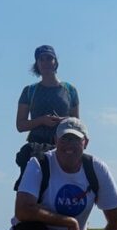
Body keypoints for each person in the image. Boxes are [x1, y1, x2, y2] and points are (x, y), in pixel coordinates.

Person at [14, 45, 80, 189]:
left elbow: (77, 125)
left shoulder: (70, 90)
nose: (45, 62)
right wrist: (42, 120)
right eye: (41, 59)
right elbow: (20, 125)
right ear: (37, 64)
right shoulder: (29, 91)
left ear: (55, 62)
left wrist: (63, 121)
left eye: (49, 58)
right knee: (33, 190)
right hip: (36, 146)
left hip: (63, 146)